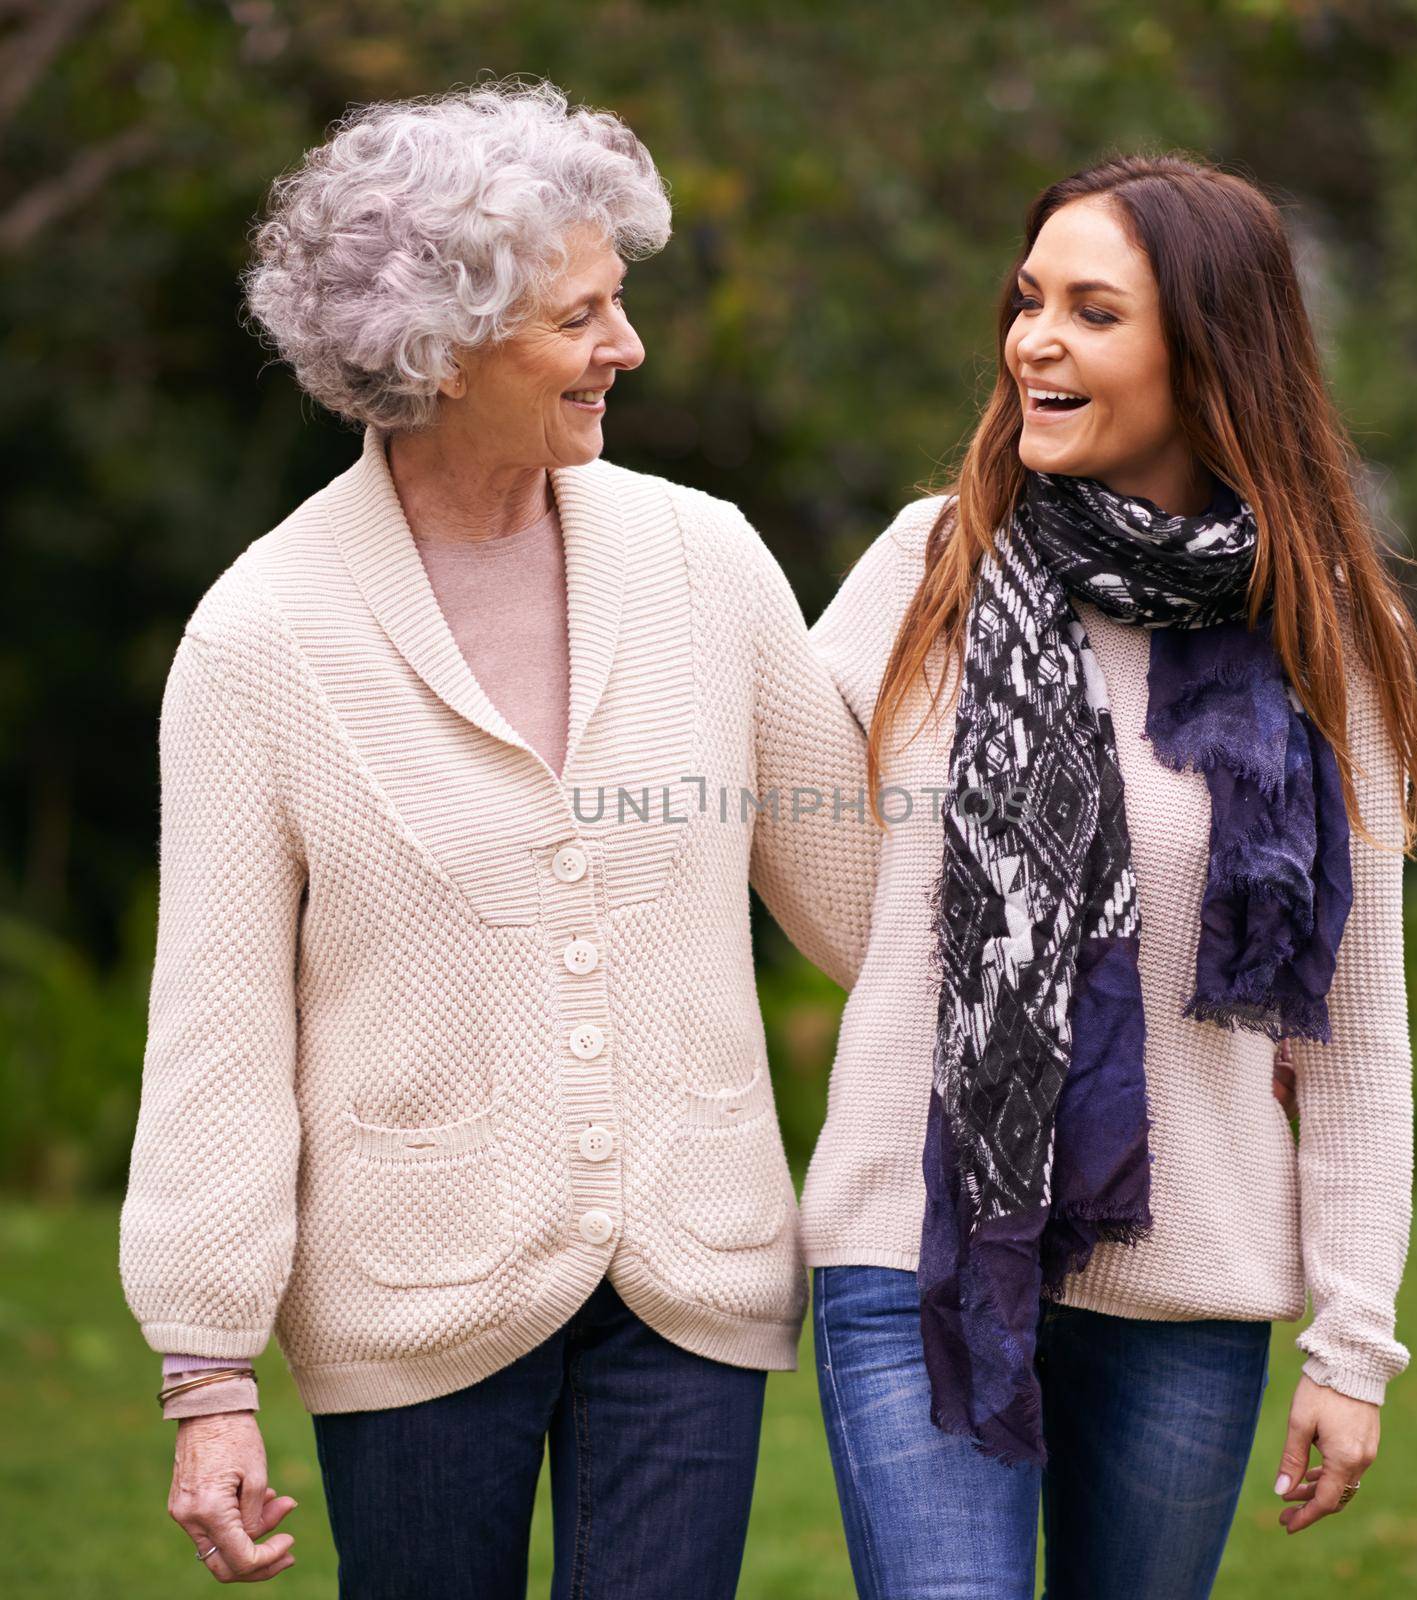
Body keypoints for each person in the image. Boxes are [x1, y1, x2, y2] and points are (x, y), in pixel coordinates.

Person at [118, 80, 877, 1598]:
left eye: (621, 300)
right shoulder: (263, 638)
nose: (628, 346)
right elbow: (217, 1028)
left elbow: (869, 893)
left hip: (692, 1268)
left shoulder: (704, 560)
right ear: (441, 346)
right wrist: (208, 1378)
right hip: (412, 1290)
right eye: (583, 315)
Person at [802, 153, 1417, 1599]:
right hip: (914, 1250)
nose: (1035, 340)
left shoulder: (1317, 633)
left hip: (1186, 1288)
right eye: (1029, 300)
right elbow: (779, 827)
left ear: (1205, 352)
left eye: (1093, 312)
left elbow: (1354, 1034)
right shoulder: (931, 565)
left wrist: (1353, 1346)